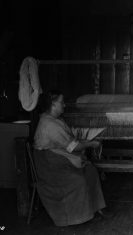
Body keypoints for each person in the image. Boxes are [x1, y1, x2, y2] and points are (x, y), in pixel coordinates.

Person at [33, 90, 107, 226]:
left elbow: (69, 140)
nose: (64, 105)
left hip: (59, 160)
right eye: (61, 102)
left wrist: (84, 139)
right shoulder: (49, 124)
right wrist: (92, 143)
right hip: (50, 166)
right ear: (52, 104)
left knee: (90, 171)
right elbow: (73, 147)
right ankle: (76, 217)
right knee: (77, 180)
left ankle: (94, 209)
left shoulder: (56, 120)